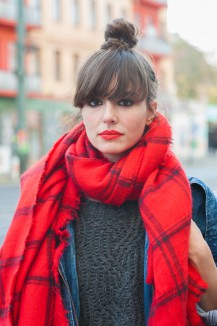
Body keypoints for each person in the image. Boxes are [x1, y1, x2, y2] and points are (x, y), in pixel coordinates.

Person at [0, 18, 217, 326]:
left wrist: (200, 255)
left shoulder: (194, 200)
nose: (108, 116)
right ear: (82, 109)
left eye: (125, 102)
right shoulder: (45, 193)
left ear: (151, 110)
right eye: (95, 101)